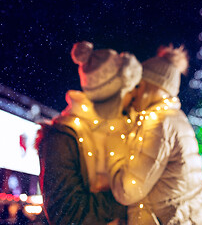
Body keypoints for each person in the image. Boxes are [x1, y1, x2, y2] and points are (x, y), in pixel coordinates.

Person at [36, 41, 142, 224]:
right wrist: (132, 197)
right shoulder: (63, 135)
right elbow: (67, 214)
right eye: (129, 89)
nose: (134, 95)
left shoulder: (126, 128)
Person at [106, 45, 202, 224]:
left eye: (138, 85)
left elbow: (128, 191)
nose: (134, 93)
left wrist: (113, 151)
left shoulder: (158, 122)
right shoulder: (174, 118)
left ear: (152, 86)